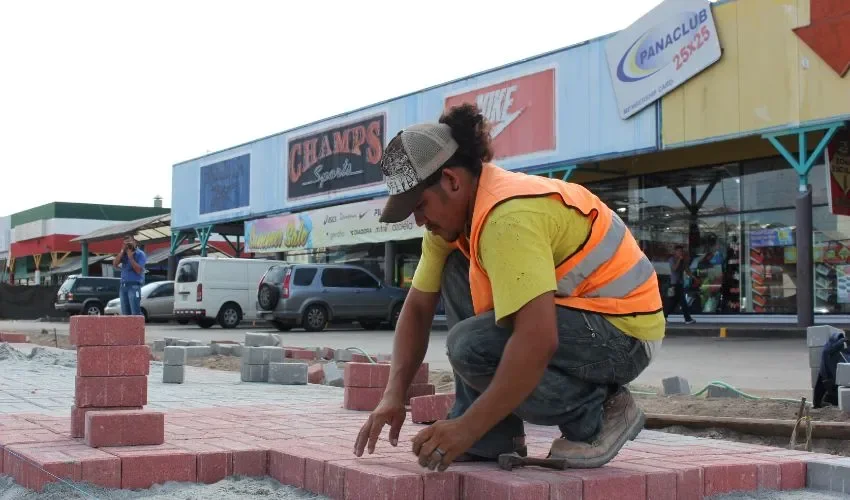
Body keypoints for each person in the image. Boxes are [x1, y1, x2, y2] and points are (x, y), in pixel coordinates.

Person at [353, 103, 666, 472]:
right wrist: (393, 395)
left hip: (624, 331)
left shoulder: (507, 217)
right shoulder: (453, 221)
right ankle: (493, 436)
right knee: (455, 269)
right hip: (582, 317)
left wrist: (464, 430)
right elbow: (418, 308)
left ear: (452, 181)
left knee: (469, 346)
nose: (419, 221)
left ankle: (598, 415)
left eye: (420, 205)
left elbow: (536, 340)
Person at [112, 234, 147, 316]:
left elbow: (139, 270)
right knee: (125, 314)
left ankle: (136, 328)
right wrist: (122, 251)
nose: (128, 245)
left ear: (134, 242)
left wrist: (131, 257)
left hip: (134, 286)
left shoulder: (140, 254)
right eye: (125, 243)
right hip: (123, 286)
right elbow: (115, 264)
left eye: (129, 243)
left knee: (135, 312)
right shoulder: (123, 254)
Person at [665, 245, 696, 324]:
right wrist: (679, 259)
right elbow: (674, 269)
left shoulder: (683, 260)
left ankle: (663, 317)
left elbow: (687, 269)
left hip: (680, 283)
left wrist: (693, 277)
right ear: (675, 252)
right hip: (674, 284)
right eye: (678, 251)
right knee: (682, 301)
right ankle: (687, 319)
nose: (680, 253)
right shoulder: (672, 259)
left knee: (673, 303)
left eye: (681, 251)